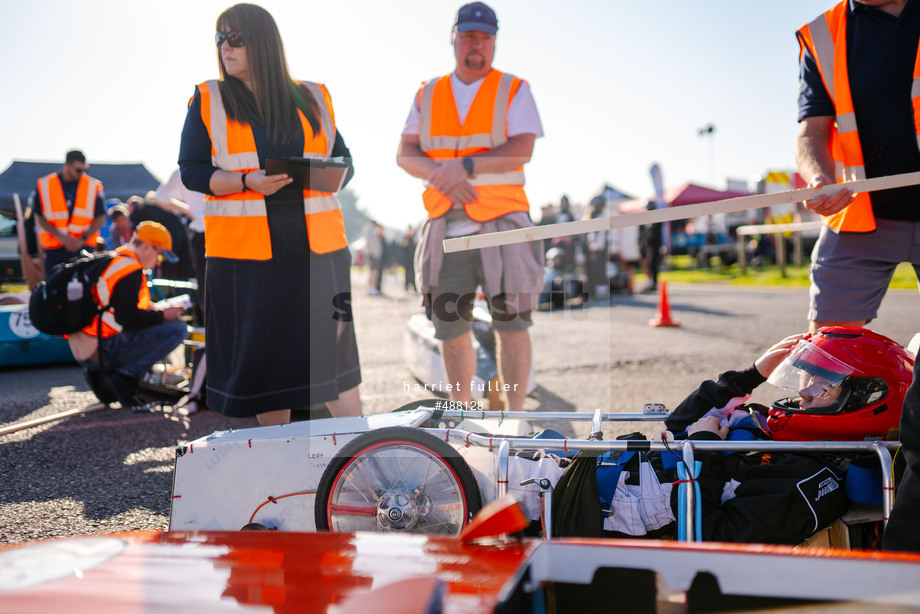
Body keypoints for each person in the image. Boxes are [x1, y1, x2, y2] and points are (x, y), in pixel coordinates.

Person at [178, 3, 362, 426]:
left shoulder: (314, 95)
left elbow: (345, 161)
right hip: (248, 257)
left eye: (235, 38)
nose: (225, 47)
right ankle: (281, 458)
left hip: (319, 248)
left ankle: (359, 449)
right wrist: (246, 182)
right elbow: (192, 171)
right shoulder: (209, 97)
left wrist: (324, 175)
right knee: (267, 361)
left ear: (263, 42)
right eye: (220, 38)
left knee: (333, 353)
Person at [396, 2, 544, 412]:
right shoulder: (429, 92)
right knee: (451, 329)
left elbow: (522, 149)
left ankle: (513, 418)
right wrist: (446, 176)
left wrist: (463, 167)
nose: (476, 45)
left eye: (485, 38)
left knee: (511, 324)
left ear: (494, 42)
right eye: (468, 36)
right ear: (453, 38)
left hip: (503, 225)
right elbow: (405, 153)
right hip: (446, 226)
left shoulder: (514, 89)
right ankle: (462, 415)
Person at [795, 0, 920, 333]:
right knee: (824, 362)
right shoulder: (824, 34)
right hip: (859, 213)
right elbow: (812, 132)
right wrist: (817, 176)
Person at [69, 221, 188, 407]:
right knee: (178, 329)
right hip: (101, 349)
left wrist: (153, 311)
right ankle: (125, 376)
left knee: (163, 324)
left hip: (88, 347)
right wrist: (163, 316)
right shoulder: (130, 269)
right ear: (148, 247)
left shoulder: (116, 258)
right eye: (160, 256)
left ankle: (103, 375)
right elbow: (127, 317)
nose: (158, 262)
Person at [31, 150, 106, 272]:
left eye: (85, 170)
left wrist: (82, 239)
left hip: (84, 247)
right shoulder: (45, 184)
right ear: (66, 165)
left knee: (84, 288)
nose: (82, 173)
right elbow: (39, 217)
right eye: (78, 170)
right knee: (54, 287)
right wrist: (61, 237)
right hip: (55, 248)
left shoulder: (93, 185)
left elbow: (101, 217)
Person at [155, 169, 208, 323]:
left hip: (205, 233)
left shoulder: (183, 170)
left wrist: (190, 210)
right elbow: (160, 199)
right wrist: (189, 210)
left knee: (208, 289)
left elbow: (160, 198)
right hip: (211, 233)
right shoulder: (184, 171)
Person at [127, 192, 194, 282]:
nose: (158, 262)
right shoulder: (156, 208)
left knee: (168, 265)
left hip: (170, 236)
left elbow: (138, 234)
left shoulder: (140, 211)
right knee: (174, 266)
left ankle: (170, 288)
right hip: (179, 233)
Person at [638, 201, 662, 293]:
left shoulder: (657, 220)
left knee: (653, 264)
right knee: (646, 264)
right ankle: (649, 281)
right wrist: (640, 244)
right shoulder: (643, 221)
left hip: (654, 245)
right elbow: (641, 234)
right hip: (645, 246)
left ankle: (654, 283)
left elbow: (655, 234)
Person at [363, 220, 384, 296]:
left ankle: (371, 288)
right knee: (374, 272)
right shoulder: (373, 231)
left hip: (371, 254)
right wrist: (377, 254)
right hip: (374, 254)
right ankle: (372, 288)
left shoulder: (367, 230)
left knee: (372, 272)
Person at [401, 225, 418, 293]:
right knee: (407, 273)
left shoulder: (415, 237)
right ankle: (406, 286)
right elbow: (403, 247)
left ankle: (414, 287)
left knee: (414, 273)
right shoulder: (406, 238)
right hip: (407, 258)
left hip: (413, 258)